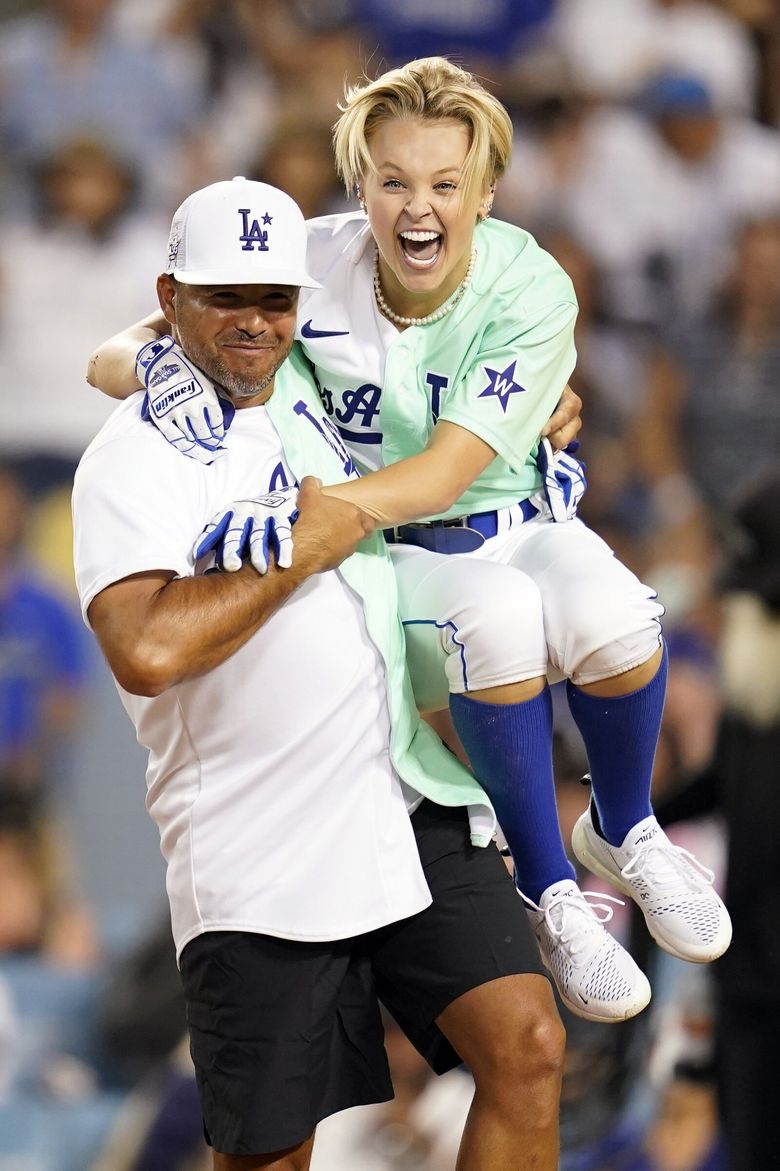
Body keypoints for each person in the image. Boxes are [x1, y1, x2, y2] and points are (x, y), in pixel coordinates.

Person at [86, 58, 731, 1023]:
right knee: (503, 623)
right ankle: (549, 888)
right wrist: (144, 360)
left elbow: (444, 471)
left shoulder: (529, 283)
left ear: (485, 193)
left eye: (445, 184)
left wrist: (325, 516)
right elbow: (129, 343)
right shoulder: (318, 257)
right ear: (361, 188)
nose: (417, 207)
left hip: (495, 517)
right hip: (407, 553)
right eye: (394, 181)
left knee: (618, 616)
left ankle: (625, 829)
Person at [72, 176, 566, 1171]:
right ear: (172, 299)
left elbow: (449, 412)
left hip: (398, 793)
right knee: (272, 1154)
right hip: (259, 847)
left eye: (276, 298)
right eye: (227, 298)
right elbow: (147, 648)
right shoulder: (136, 455)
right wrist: (308, 541)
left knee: (528, 1046)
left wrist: (527, 421)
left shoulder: (318, 398)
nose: (257, 322)